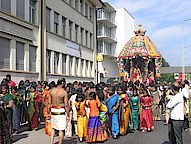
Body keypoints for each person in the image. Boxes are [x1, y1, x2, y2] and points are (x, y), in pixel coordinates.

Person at [48, 78, 70, 144]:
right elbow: (66, 105)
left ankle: (51, 142)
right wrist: (68, 115)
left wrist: (48, 113)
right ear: (63, 83)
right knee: (61, 129)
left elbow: (49, 103)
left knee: (53, 128)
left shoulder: (51, 91)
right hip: (61, 110)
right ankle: (60, 143)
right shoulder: (64, 92)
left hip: (53, 109)